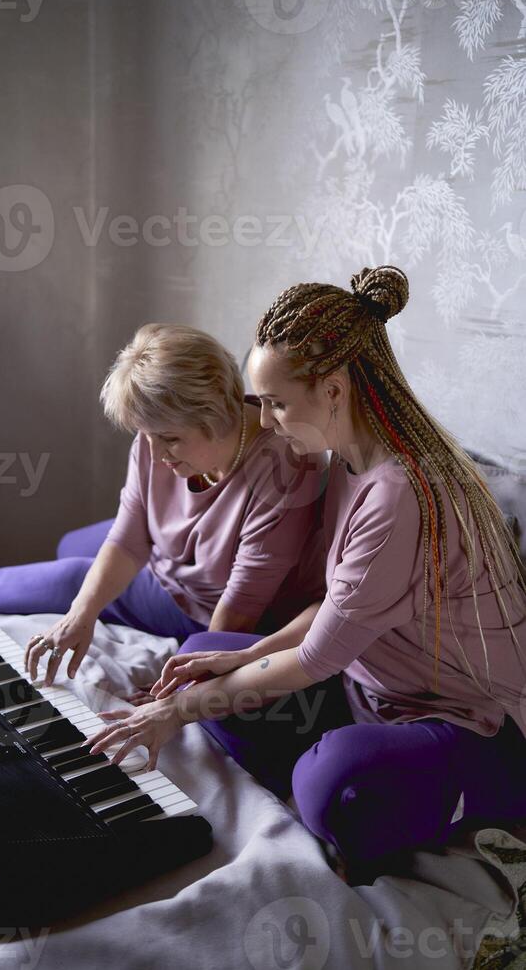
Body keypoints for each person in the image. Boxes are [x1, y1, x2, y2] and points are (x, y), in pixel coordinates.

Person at [86, 265, 526, 884]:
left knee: (330, 785)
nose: (264, 421)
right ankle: (344, 767)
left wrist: (173, 714)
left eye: (276, 403)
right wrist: (252, 654)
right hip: (365, 688)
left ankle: (471, 792)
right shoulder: (349, 465)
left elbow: (317, 658)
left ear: (335, 390)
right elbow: (336, 607)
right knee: (209, 652)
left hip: (462, 721)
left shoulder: (400, 494)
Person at [0, 323, 326, 692]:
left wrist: (185, 683)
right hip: (177, 571)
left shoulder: (285, 466)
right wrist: (81, 615)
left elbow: (239, 609)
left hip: (219, 607)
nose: (153, 451)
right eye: (144, 434)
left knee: (73, 573)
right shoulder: (155, 439)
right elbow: (129, 539)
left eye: (169, 438)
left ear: (216, 416)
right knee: (76, 565)